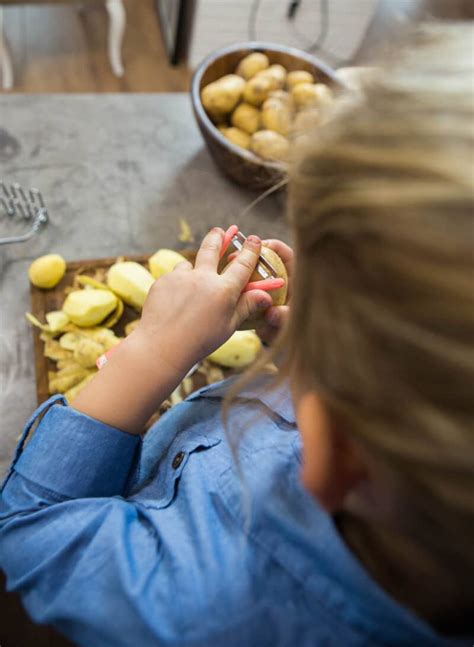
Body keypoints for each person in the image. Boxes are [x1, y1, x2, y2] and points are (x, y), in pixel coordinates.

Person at [1, 21, 473, 647]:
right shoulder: (416, 462)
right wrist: (305, 354)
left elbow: (31, 535)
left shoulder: (200, 612)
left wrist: (151, 353)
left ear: (333, 456)